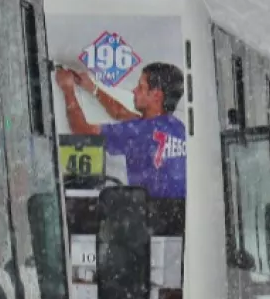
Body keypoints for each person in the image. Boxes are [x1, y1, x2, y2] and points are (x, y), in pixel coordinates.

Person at [57, 62, 188, 197]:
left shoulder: (137, 131)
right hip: (181, 213)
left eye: (141, 87)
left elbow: (81, 131)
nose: (134, 90)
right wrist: (93, 88)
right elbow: (121, 113)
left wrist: (67, 89)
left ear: (157, 96)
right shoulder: (179, 128)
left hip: (151, 213)